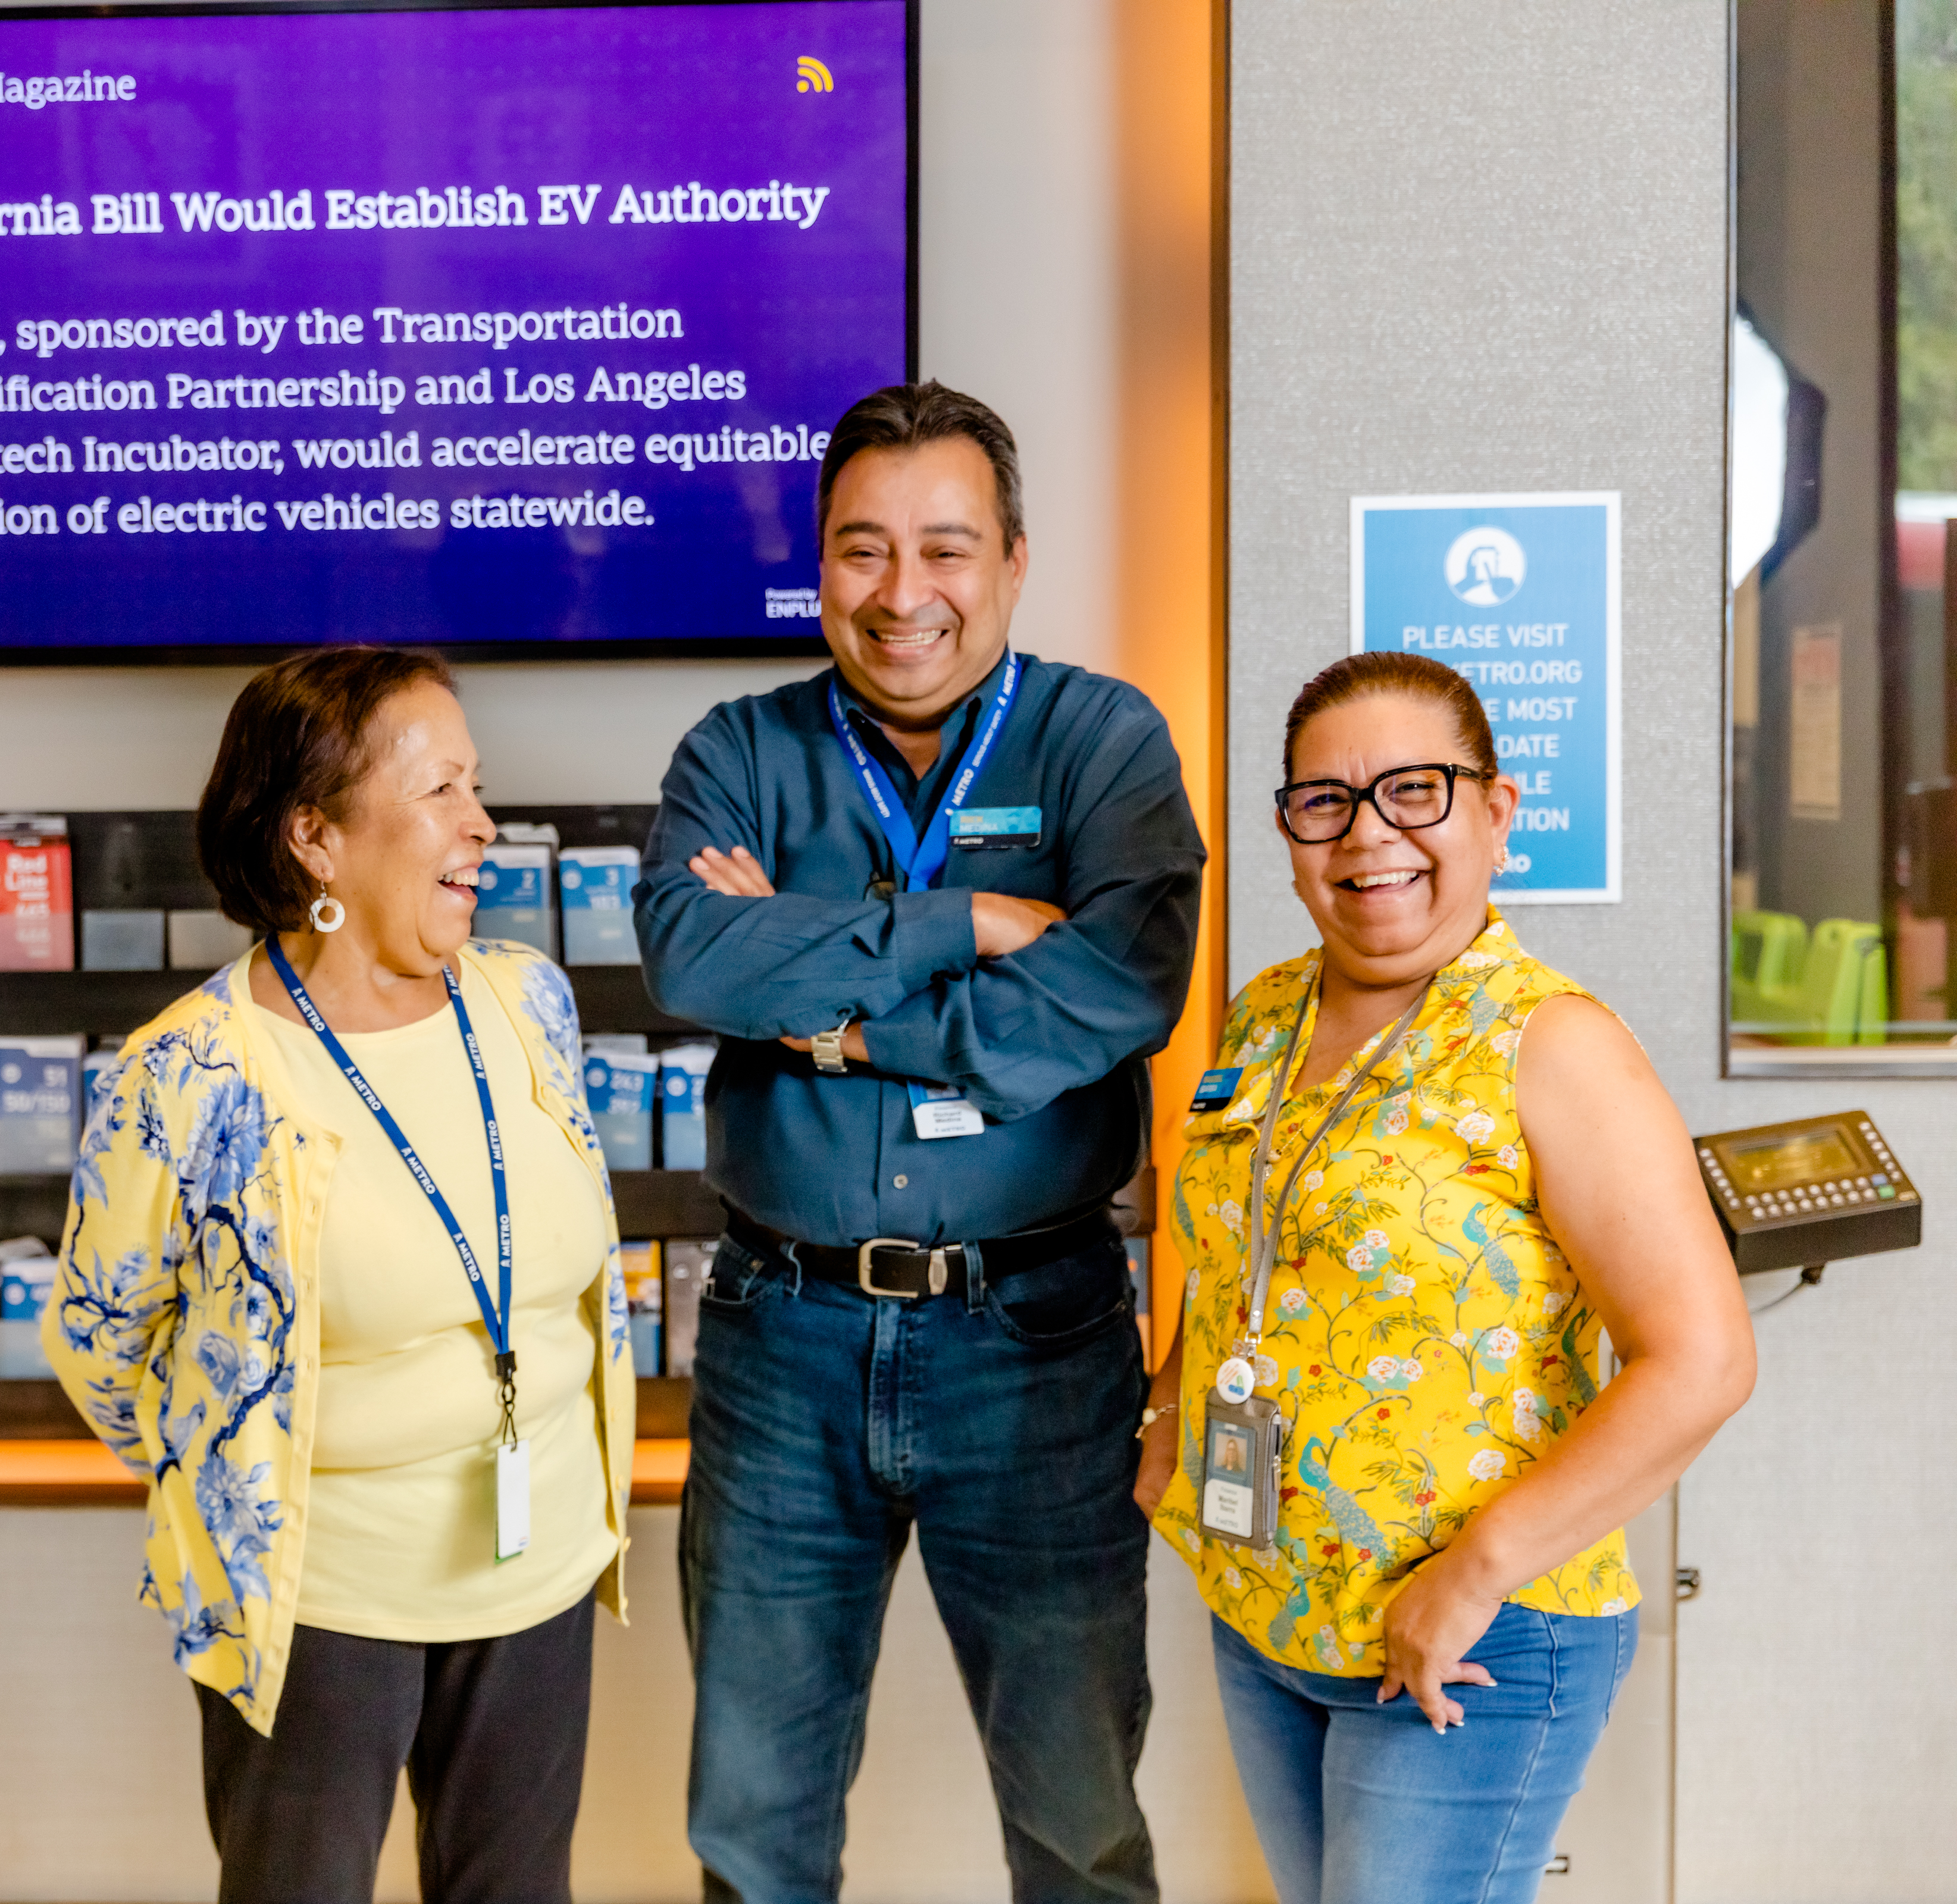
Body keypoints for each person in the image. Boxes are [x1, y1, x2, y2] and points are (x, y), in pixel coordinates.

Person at [638, 381, 1204, 1903]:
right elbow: (695, 962)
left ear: (1015, 560)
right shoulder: (739, 751)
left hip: (1035, 1336)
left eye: (945, 550)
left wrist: (827, 1012)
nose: (904, 596)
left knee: (1079, 1819)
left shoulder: (1106, 745)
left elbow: (1115, 998)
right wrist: (962, 925)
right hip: (783, 1338)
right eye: (862, 550)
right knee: (753, 1831)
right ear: (817, 564)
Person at [1139, 651, 1757, 1904]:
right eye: (1326, 802)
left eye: (1414, 791)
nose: (1371, 836)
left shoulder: (1552, 1043)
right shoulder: (1266, 1014)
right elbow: (1242, 1248)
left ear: (1497, 810)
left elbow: (1704, 1359)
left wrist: (1469, 1578)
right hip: (1271, 1609)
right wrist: (1168, 1403)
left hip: (1468, 1633)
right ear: (1288, 828)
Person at [48, 646, 637, 1904]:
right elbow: (101, 1341)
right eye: (440, 793)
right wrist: (239, 1458)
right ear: (317, 837)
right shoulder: (190, 1071)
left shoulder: (527, 999)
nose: (482, 824)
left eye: (477, 787)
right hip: (322, 1603)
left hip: (537, 1573)